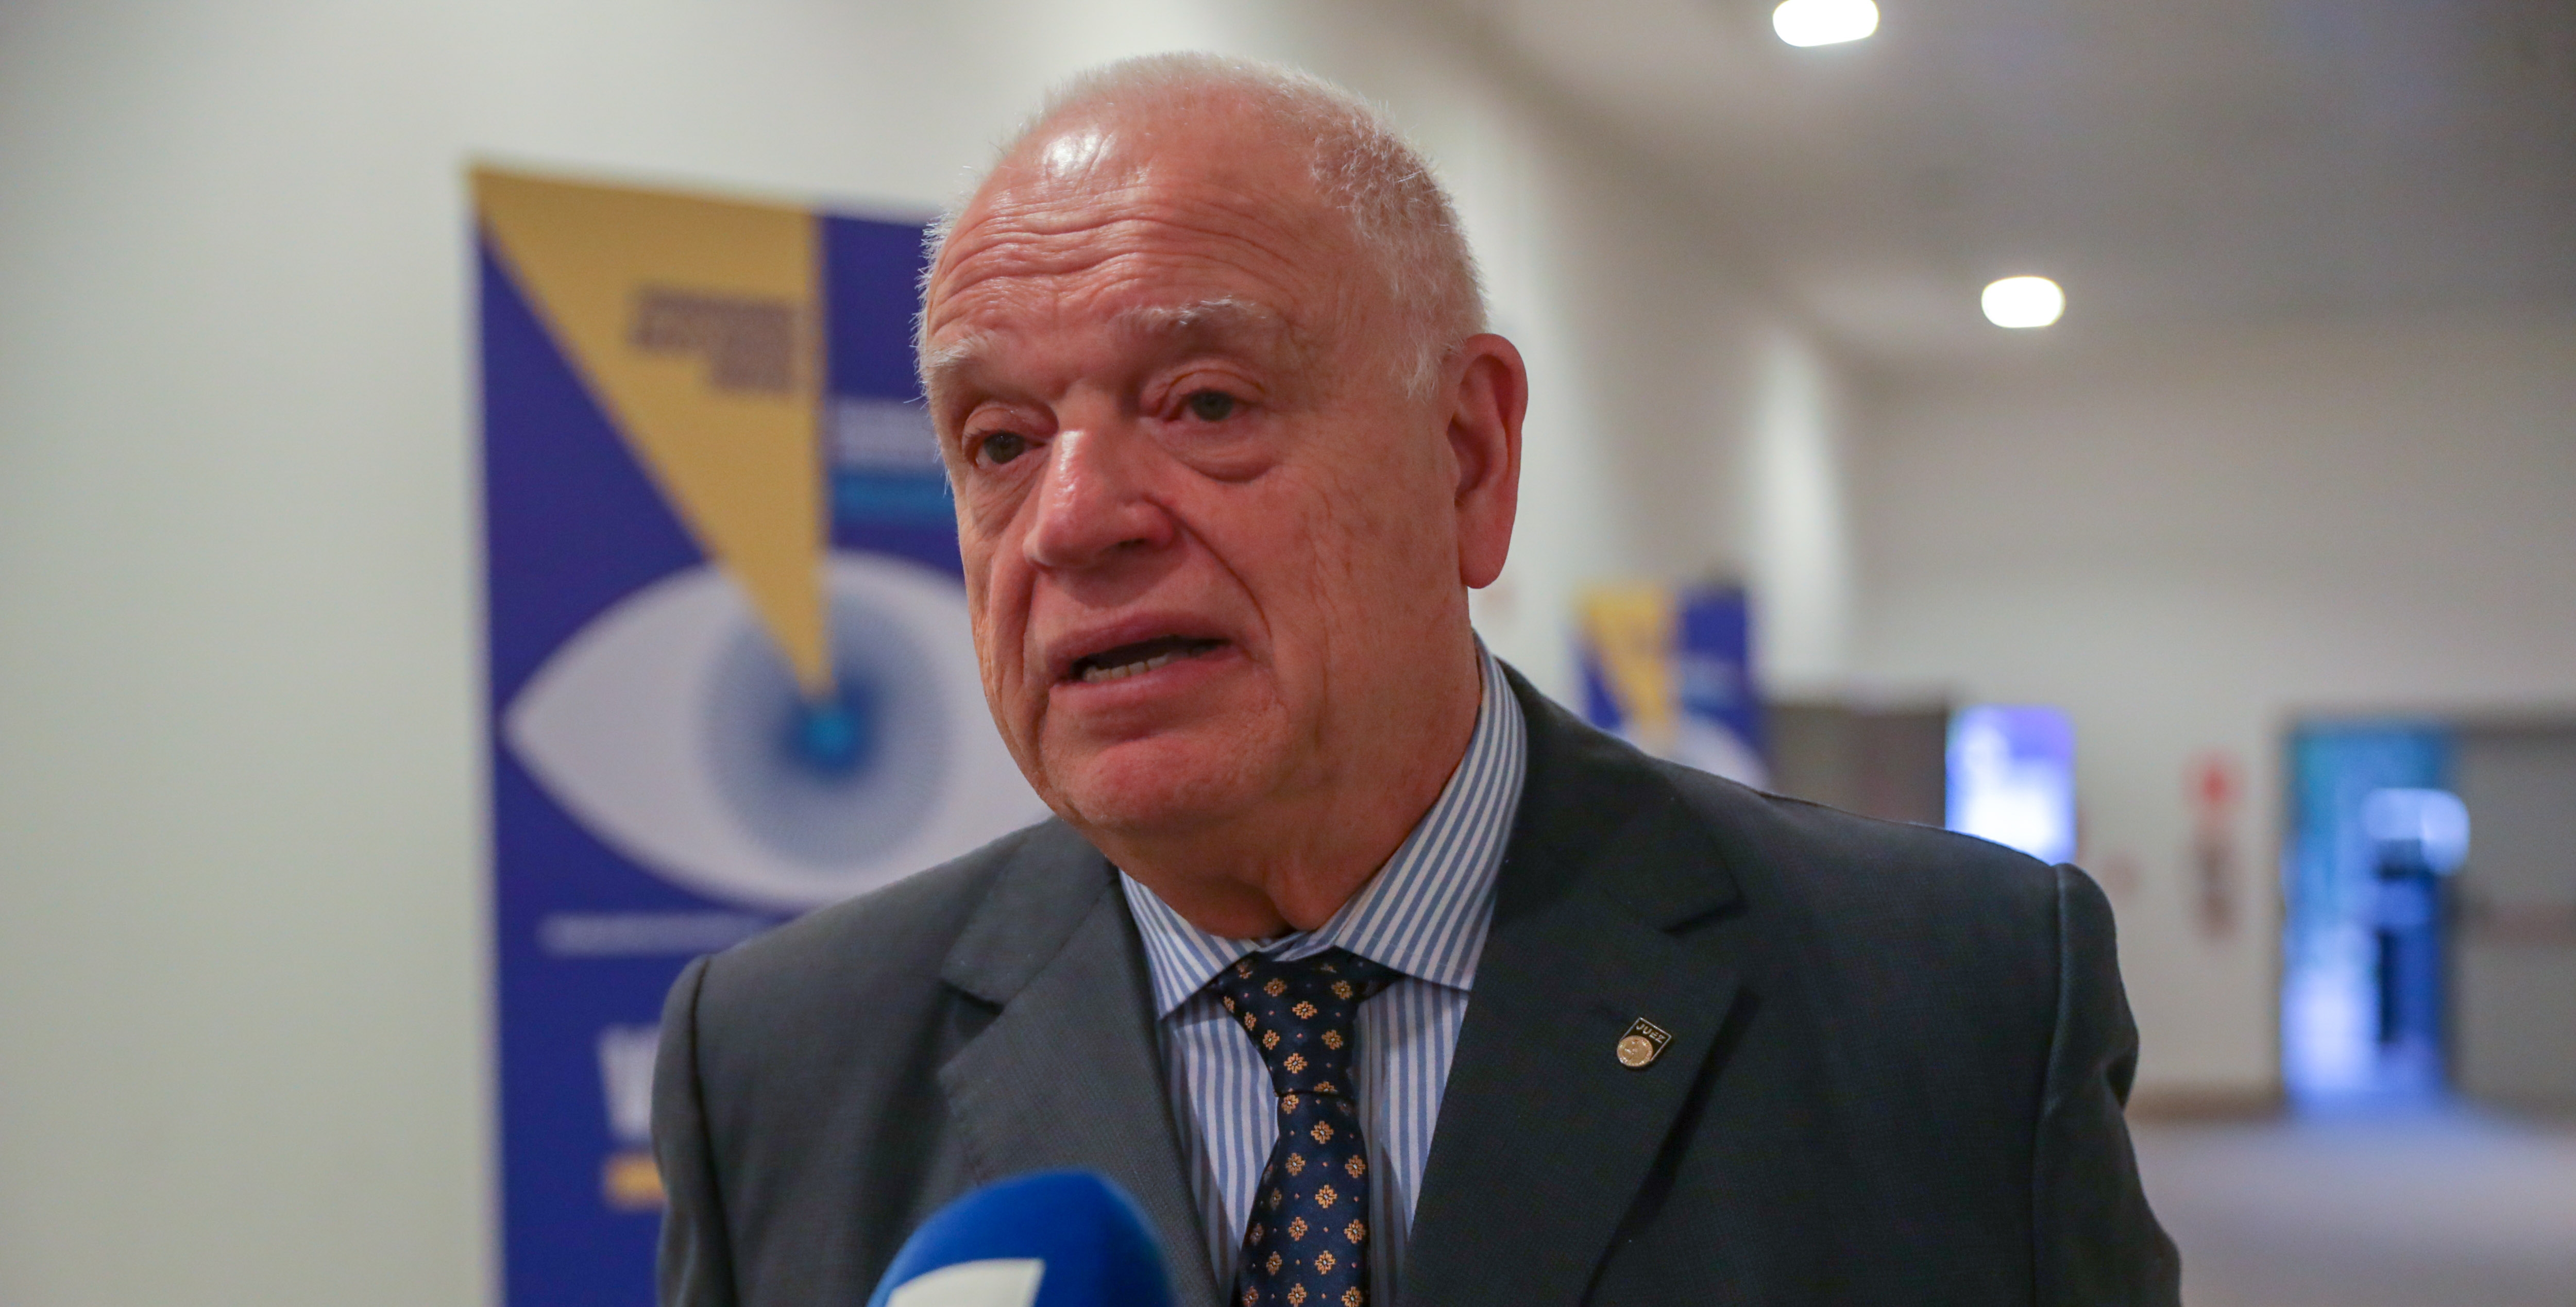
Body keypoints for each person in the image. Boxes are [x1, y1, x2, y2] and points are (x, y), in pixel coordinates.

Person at [652, 53, 2179, 1307]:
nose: (1073, 520)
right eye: (1000, 441)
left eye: (1203, 400)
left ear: (1468, 454)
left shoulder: (1956, 1000)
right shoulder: (778, 1063)